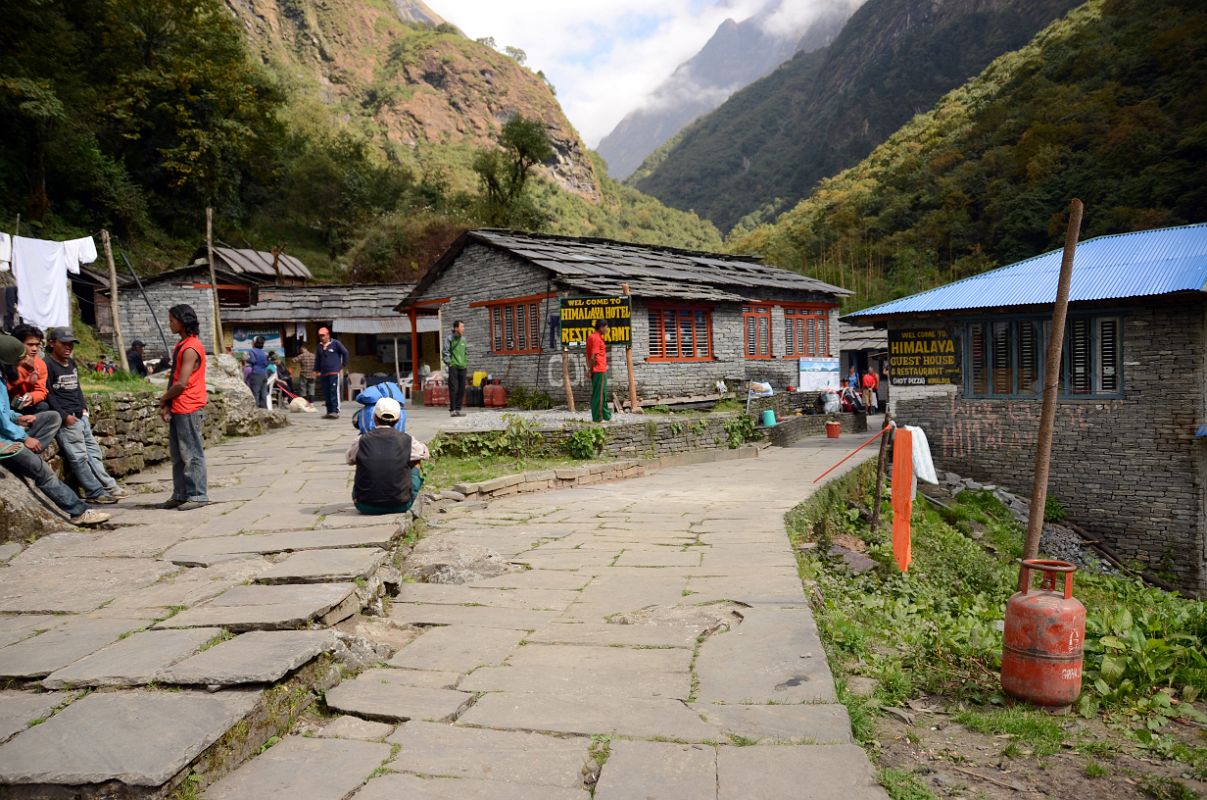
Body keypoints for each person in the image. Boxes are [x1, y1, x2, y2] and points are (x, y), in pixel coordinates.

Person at [0, 333, 108, 526]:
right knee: (43, 472)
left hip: (8, 433)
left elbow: (5, 412)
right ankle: (78, 511)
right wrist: (24, 438)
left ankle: (30, 450)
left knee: (50, 417)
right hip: (3, 442)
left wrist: (19, 417)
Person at [45, 327, 129, 504]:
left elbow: (77, 388)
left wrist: (83, 408)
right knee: (79, 457)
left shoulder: (72, 364)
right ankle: (94, 491)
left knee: (93, 453)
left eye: (71, 344)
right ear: (52, 343)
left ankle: (109, 486)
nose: (68, 347)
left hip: (80, 416)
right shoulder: (48, 365)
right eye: (64, 344)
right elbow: (48, 394)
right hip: (67, 419)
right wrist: (64, 415)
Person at [158, 304, 209, 510]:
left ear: (182, 321)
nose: (169, 324)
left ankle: (198, 494)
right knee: (178, 454)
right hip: (179, 405)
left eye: (172, 320)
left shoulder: (190, 348)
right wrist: (169, 404)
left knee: (191, 453)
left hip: (189, 405)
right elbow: (174, 378)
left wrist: (163, 399)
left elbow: (181, 383)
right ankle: (180, 493)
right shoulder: (181, 345)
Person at [345, 397, 428, 515]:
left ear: (374, 417)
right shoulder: (407, 440)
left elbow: (349, 459)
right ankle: (406, 494)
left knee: (360, 460)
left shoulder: (361, 440)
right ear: (398, 419)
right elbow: (424, 454)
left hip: (364, 505)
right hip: (401, 505)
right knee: (416, 462)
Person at [6, 323, 50, 412]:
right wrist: (23, 370)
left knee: (43, 406)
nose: (34, 349)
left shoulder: (40, 363)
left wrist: (32, 397)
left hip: (23, 402)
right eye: (30, 344)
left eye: (37, 345)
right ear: (17, 343)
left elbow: (41, 390)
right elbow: (5, 387)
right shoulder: (6, 359)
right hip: (5, 399)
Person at [314, 326, 348, 419]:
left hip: (333, 372)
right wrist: (316, 370)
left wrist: (342, 365)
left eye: (323, 336)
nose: (322, 338)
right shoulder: (319, 346)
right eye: (320, 336)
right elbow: (318, 359)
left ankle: (335, 411)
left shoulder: (336, 343)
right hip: (324, 373)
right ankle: (329, 412)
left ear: (328, 335)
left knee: (333, 392)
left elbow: (345, 353)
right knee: (326, 392)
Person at [587, 319, 611, 422]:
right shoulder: (596, 338)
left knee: (602, 393)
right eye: (606, 327)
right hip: (599, 370)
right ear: (601, 327)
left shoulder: (594, 337)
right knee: (600, 395)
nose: (607, 329)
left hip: (600, 369)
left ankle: (606, 416)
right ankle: (598, 418)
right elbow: (593, 356)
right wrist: (590, 370)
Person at [442, 320, 468, 418]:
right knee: (454, 389)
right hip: (453, 367)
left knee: (461, 389)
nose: (463, 329)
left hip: (463, 367)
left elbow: (466, 352)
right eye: (462, 327)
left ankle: (458, 409)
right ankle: (452, 410)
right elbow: (445, 352)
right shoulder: (449, 339)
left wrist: (465, 362)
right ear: (456, 328)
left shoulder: (464, 340)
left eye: (463, 327)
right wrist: (449, 363)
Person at [246, 335, 269, 409]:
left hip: (256, 373)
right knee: (263, 394)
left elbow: (252, 360)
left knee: (255, 393)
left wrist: (246, 359)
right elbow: (266, 363)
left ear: (254, 343)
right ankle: (264, 410)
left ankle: (256, 410)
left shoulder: (252, 351)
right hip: (264, 374)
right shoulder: (264, 353)